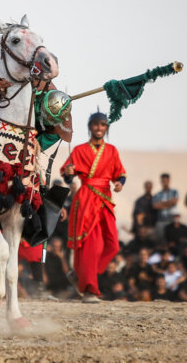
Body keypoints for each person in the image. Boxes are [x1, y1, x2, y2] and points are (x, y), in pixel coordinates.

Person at [61, 110, 125, 303]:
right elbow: (67, 175)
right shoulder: (79, 150)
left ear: (106, 128)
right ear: (90, 127)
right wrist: (69, 173)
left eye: (103, 124)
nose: (99, 128)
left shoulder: (112, 150)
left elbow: (120, 173)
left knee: (112, 245)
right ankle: (89, 290)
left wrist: (120, 183)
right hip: (87, 198)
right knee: (91, 246)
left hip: (105, 198)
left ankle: (81, 274)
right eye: (96, 124)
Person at [152, 173, 179, 244]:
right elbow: (155, 206)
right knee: (160, 241)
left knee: (171, 241)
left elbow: (174, 201)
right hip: (161, 220)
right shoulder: (157, 194)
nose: (164, 182)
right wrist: (169, 203)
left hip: (171, 220)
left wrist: (161, 203)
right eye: (163, 181)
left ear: (169, 181)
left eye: (166, 180)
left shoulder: (174, 192)